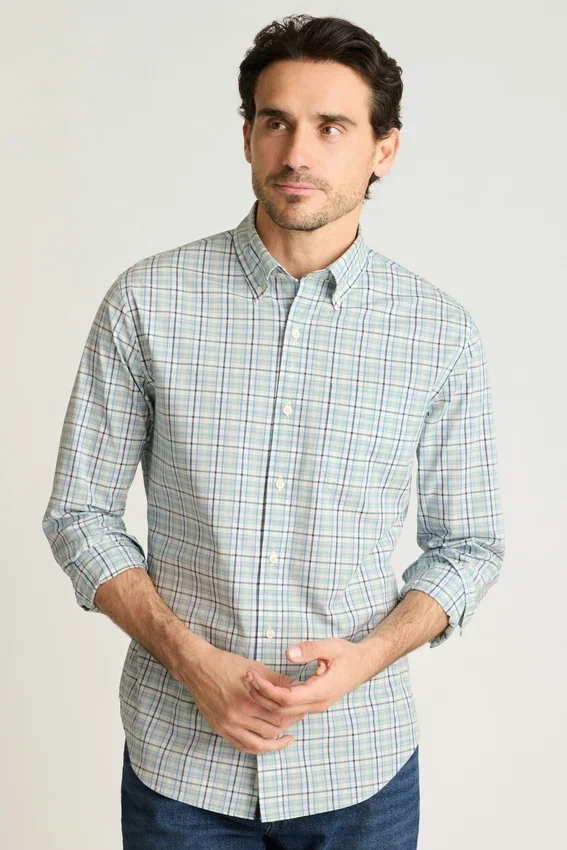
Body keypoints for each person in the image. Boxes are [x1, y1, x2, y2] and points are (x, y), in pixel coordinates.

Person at [42, 13, 505, 850]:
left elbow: (468, 547)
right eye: (276, 121)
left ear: (384, 149)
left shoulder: (438, 333)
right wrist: (192, 663)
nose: (297, 152)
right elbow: (79, 515)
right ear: (247, 136)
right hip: (181, 768)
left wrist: (367, 659)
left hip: (359, 766)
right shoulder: (146, 303)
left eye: (332, 127)